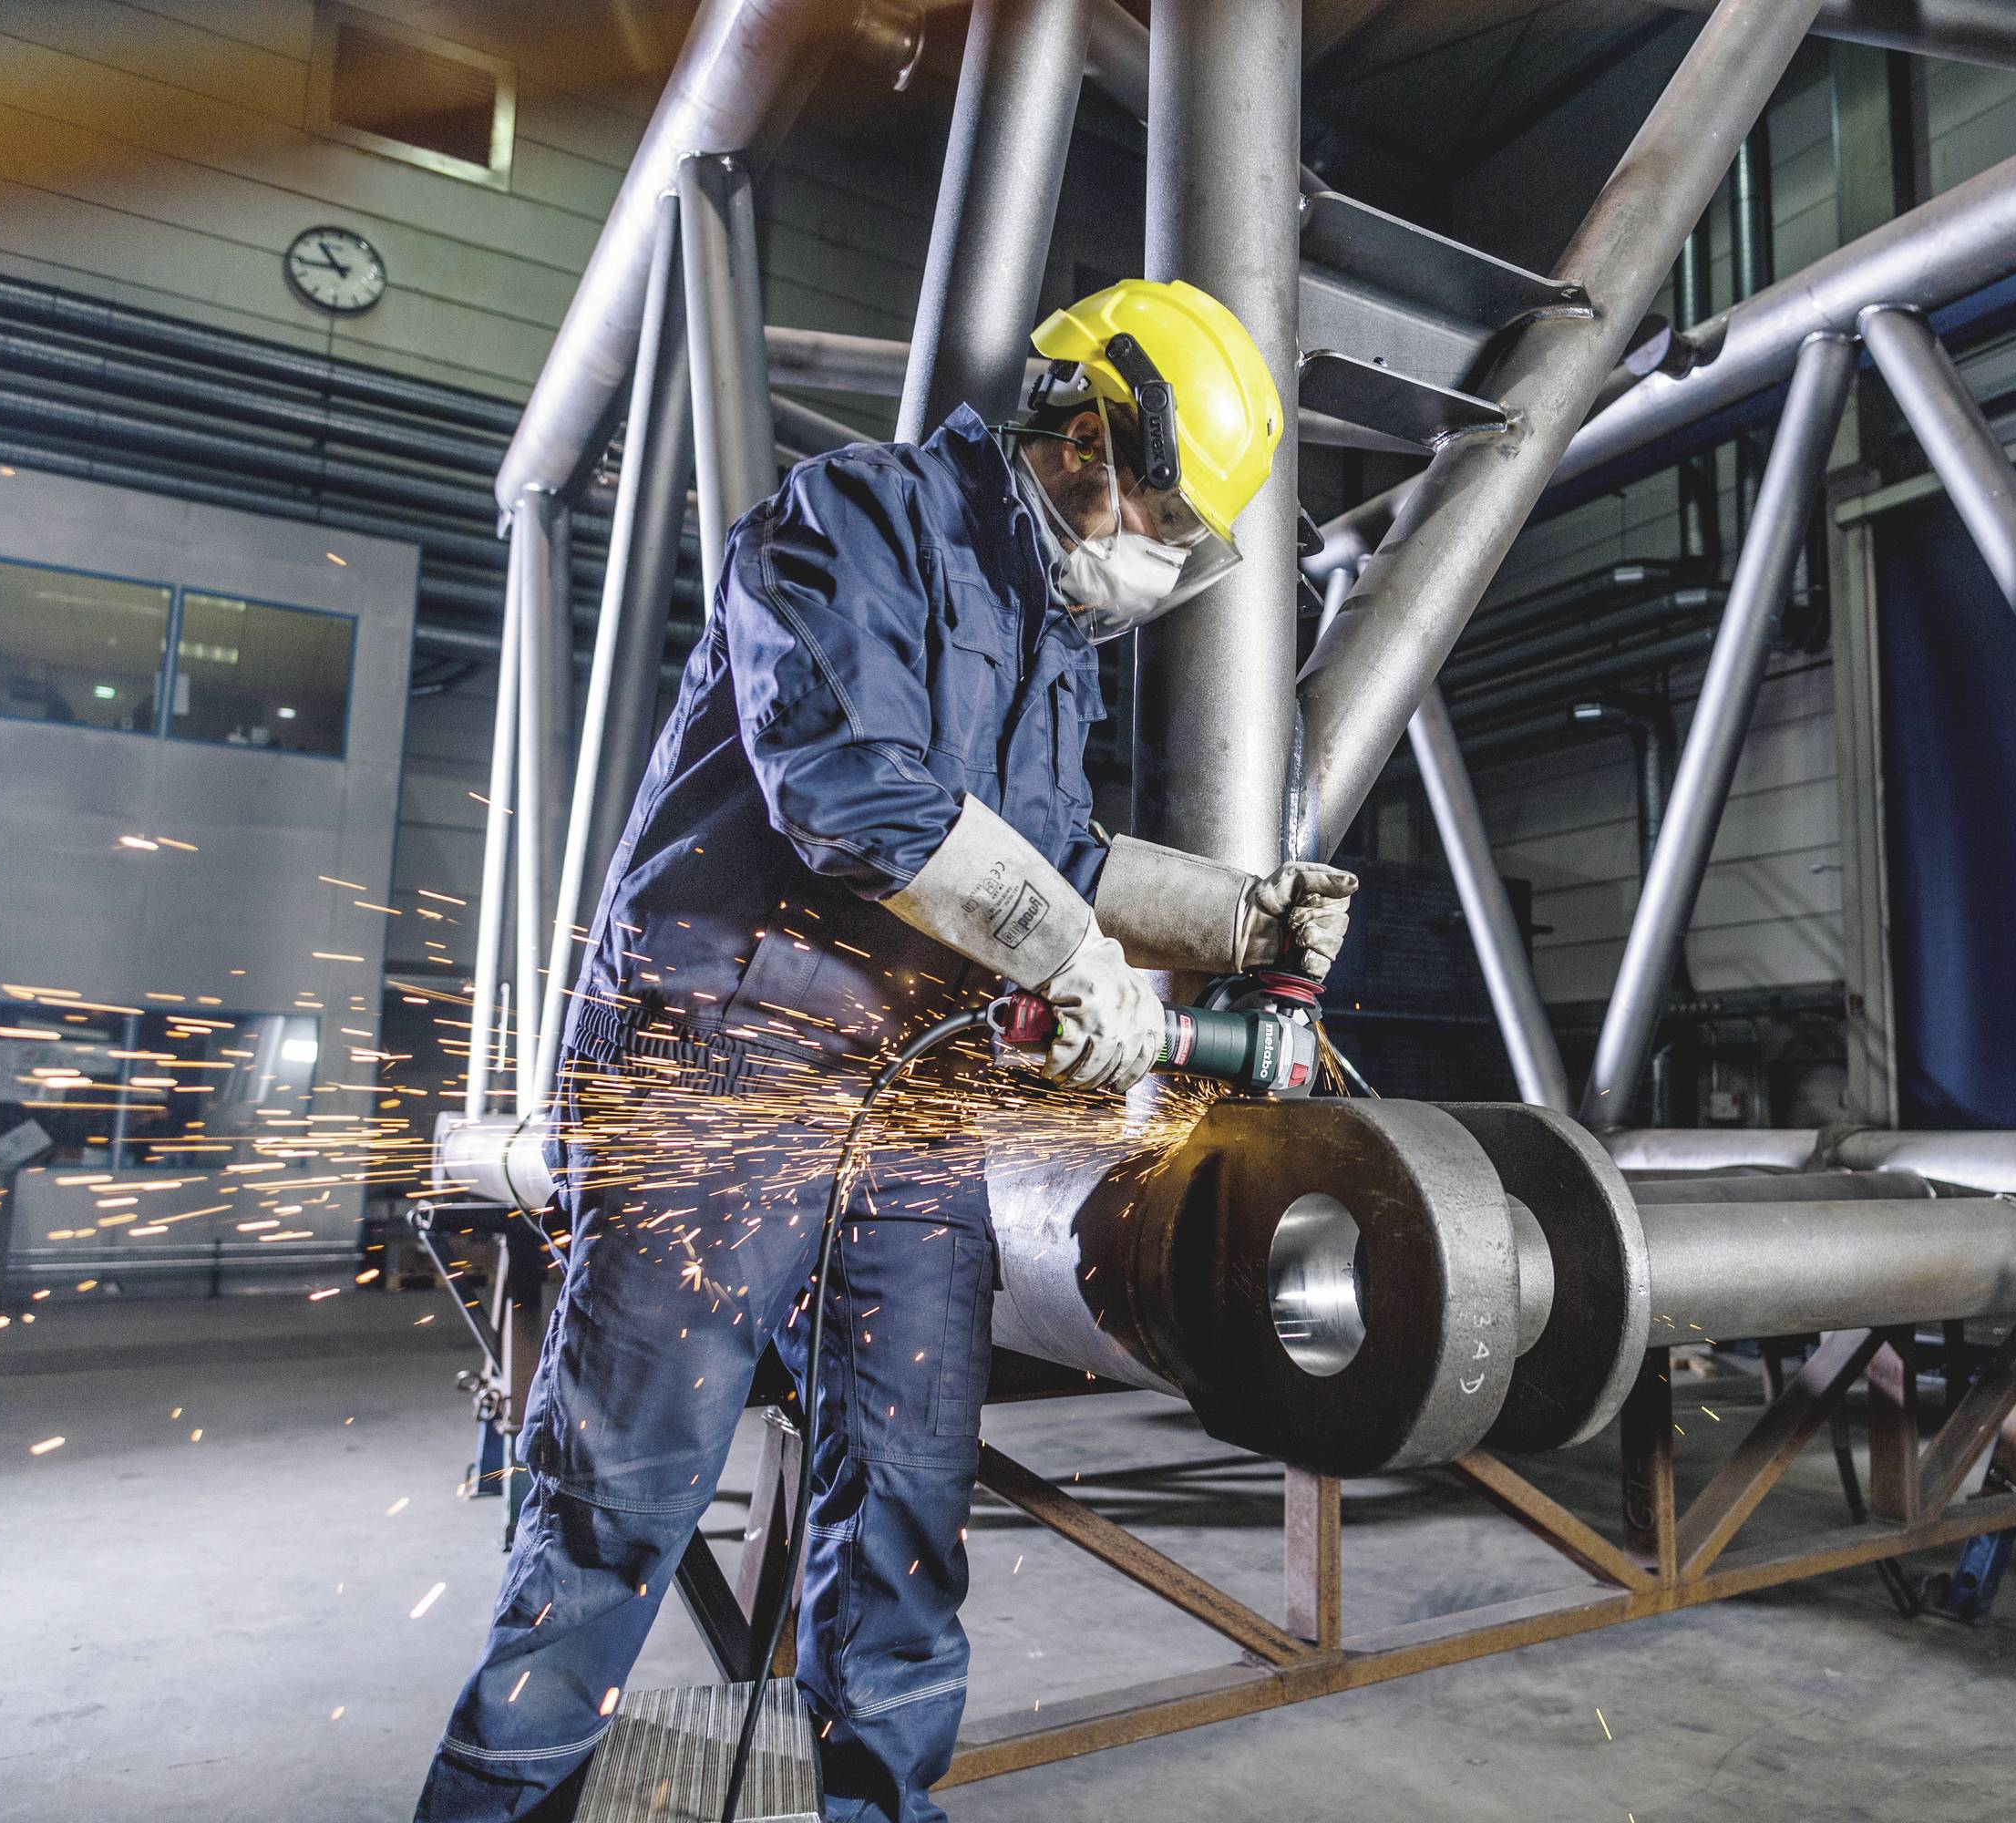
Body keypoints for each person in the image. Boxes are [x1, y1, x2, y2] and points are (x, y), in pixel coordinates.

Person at [416, 280, 1358, 1822]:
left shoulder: (1052, 643)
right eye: (1162, 514)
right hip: (726, 1068)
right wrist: (1067, 952)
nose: (1159, 557)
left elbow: (1055, 848)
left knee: (911, 1503)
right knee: (623, 1500)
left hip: (911, 1112)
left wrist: (1237, 917)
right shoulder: (852, 518)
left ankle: (882, 1805)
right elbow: (852, 790)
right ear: (1085, 431)